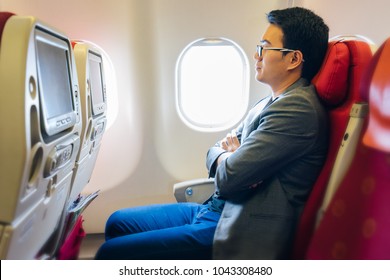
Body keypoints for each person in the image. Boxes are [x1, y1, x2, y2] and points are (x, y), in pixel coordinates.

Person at [95, 6, 329, 260]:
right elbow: (216, 149)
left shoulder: (298, 109)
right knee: (116, 223)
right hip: (216, 209)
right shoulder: (268, 101)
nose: (255, 55)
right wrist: (231, 156)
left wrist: (234, 159)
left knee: (110, 253)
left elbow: (230, 177)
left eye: (264, 47)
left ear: (294, 59)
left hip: (239, 224)